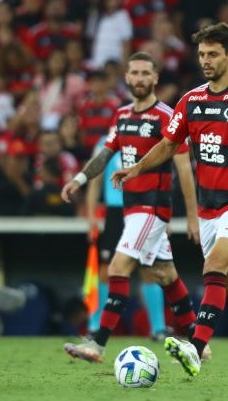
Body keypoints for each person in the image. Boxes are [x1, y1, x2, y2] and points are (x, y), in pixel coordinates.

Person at [112, 22, 228, 378]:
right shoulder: (191, 100)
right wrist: (136, 168)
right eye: (201, 54)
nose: (206, 60)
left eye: (213, 54)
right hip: (209, 207)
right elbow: (169, 144)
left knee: (213, 268)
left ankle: (195, 348)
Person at [61, 51, 201, 363]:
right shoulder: (122, 116)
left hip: (152, 209)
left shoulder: (167, 117)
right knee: (165, 274)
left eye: (145, 73)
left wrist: (192, 216)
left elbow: (184, 169)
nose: (139, 78)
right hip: (131, 209)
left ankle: (97, 345)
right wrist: (80, 179)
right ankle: (199, 342)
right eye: (134, 73)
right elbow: (105, 154)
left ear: (155, 78)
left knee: (117, 268)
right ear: (127, 78)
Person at [85, 133, 177, 341]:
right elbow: (95, 181)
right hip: (116, 212)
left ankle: (158, 328)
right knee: (105, 270)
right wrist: (91, 215)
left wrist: (165, 216)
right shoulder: (104, 142)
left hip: (144, 207)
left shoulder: (147, 140)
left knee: (149, 268)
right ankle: (94, 325)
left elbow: (159, 179)